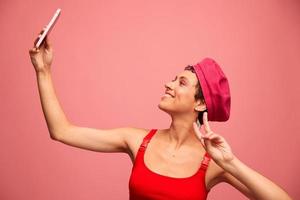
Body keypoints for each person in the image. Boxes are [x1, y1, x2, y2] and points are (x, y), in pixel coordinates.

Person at [29, 31, 292, 200]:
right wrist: (43, 70)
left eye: (182, 83)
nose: (168, 84)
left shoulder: (212, 162)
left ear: (200, 103)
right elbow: (61, 131)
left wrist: (231, 163)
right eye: (173, 79)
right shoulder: (135, 140)